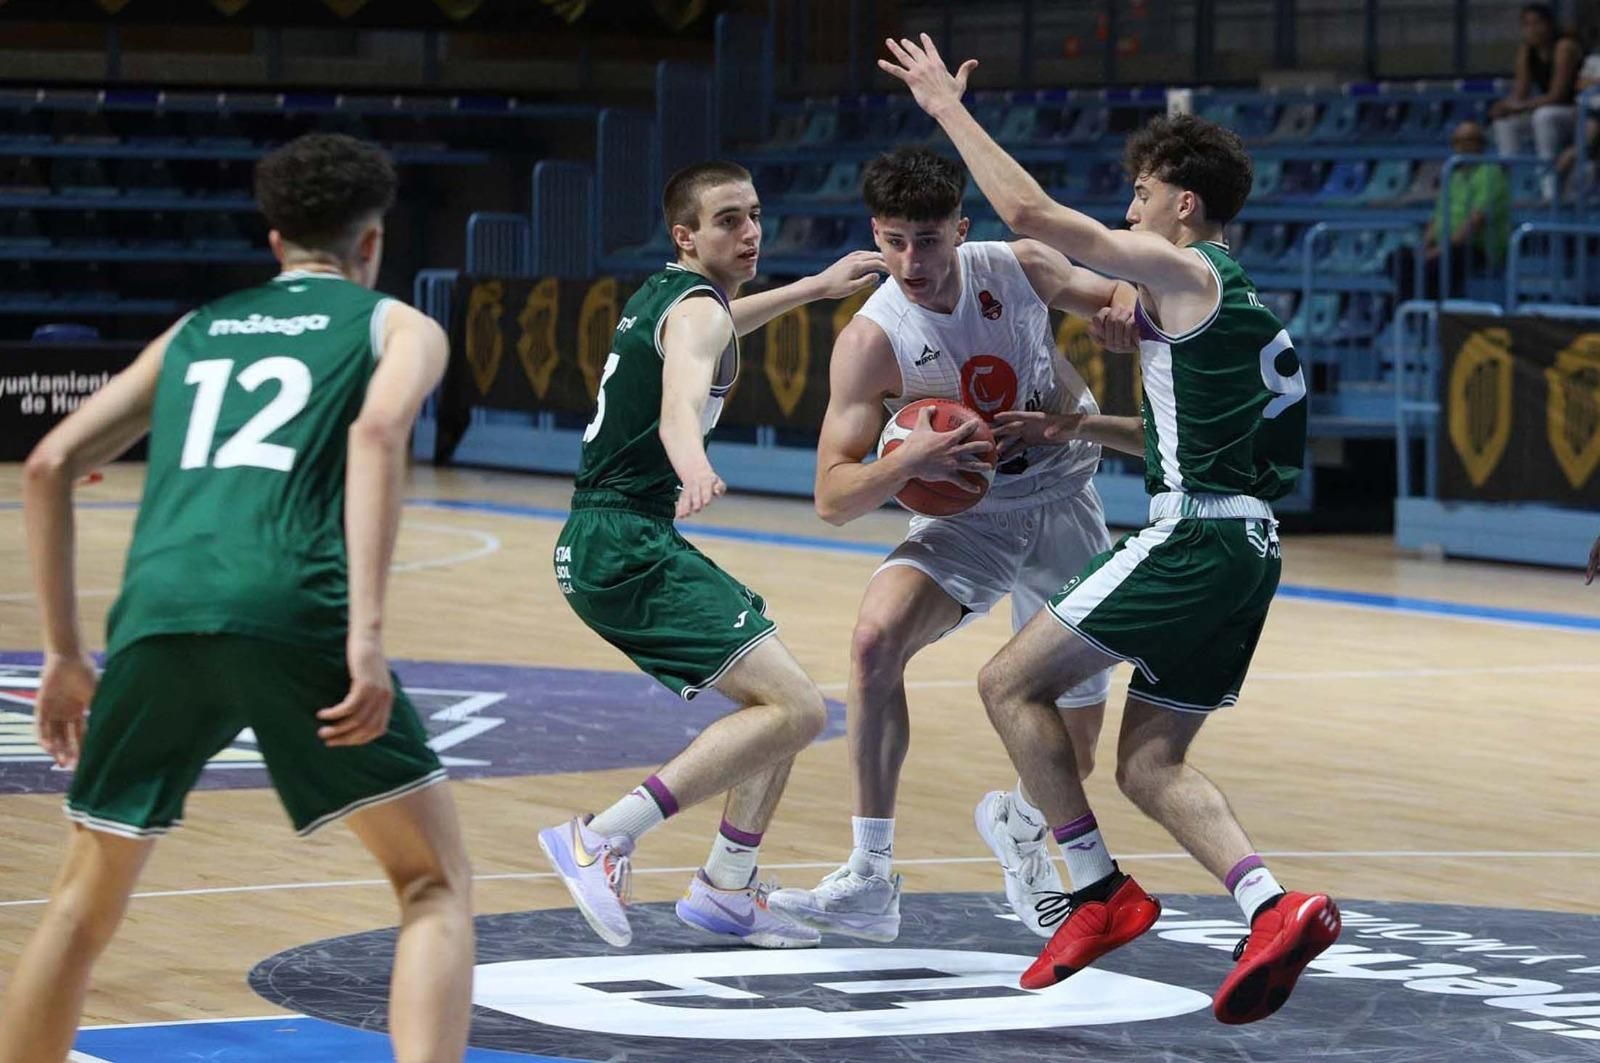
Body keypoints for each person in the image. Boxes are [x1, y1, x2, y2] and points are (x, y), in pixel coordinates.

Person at [880, 35, 1341, 1026]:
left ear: (1183, 204)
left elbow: (1036, 219)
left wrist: (944, 109)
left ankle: (1096, 890)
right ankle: (1272, 906)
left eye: (1140, 190)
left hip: (1194, 539)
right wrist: (1078, 425)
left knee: (1007, 681)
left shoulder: (1182, 269)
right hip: (1252, 550)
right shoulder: (1245, 307)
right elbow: (1200, 441)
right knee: (1147, 764)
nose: (1129, 203)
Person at [0, 133, 474, 1063]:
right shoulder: (395, 325)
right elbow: (378, 435)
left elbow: (51, 462)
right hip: (292, 603)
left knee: (80, 905)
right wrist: (367, 639)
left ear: (275, 242)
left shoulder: (197, 328)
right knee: (431, 883)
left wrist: (62, 652)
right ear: (372, 244)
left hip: (157, 610)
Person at [766, 146, 1140, 944]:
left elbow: (1126, 297)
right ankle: (869, 874)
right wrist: (909, 462)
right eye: (894, 240)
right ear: (875, 231)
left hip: (1066, 501)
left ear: (960, 230)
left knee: (1070, 754)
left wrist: (1121, 310)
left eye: (928, 241)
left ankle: (1017, 824)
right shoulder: (873, 340)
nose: (910, 261)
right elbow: (832, 496)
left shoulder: (1020, 266)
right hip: (969, 519)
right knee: (872, 641)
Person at [537, 160, 885, 951]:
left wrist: (813, 287)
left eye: (756, 214)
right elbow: (678, 405)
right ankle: (601, 839)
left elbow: (717, 328)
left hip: (612, 537)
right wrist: (692, 462)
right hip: (624, 539)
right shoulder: (698, 315)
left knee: (781, 707)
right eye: (729, 219)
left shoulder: (674, 297)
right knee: (797, 710)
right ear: (685, 235)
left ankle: (728, 887)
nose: (752, 230)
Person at [1392, 121, 1510, 301]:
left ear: (1480, 144)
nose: (1460, 146)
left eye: (1467, 141)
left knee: (1438, 264)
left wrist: (1440, 250)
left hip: (1476, 248)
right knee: (1398, 259)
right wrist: (1425, 246)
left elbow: (1475, 221)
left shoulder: (1490, 174)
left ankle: (1422, 312)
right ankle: (1416, 311)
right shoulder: (1453, 176)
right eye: (1456, 141)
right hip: (1445, 246)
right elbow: (1437, 217)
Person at [1489, 3, 1581, 169]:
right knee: (1505, 122)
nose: (1533, 29)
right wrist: (1506, 107)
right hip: (1549, 110)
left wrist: (1519, 106)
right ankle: (1511, 176)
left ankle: (1549, 179)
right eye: (1527, 24)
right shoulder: (1526, 50)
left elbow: (1557, 95)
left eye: (1537, 23)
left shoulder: (1564, 47)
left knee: (1543, 116)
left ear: (1550, 25)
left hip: (1575, 111)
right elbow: (1520, 94)